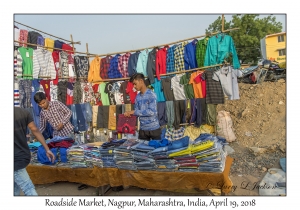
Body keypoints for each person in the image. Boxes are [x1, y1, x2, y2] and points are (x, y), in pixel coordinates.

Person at [14, 107, 55, 196]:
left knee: (24, 188)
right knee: (21, 188)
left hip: (15, 159)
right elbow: (35, 129)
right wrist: (47, 149)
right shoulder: (23, 112)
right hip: (21, 156)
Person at [124, 73, 161, 140]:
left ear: (141, 81)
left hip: (154, 129)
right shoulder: (137, 97)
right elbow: (137, 112)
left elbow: (152, 112)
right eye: (133, 84)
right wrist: (129, 114)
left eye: (135, 84)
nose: (134, 86)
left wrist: (134, 112)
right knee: (141, 150)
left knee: (157, 150)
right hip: (142, 130)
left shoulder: (151, 95)